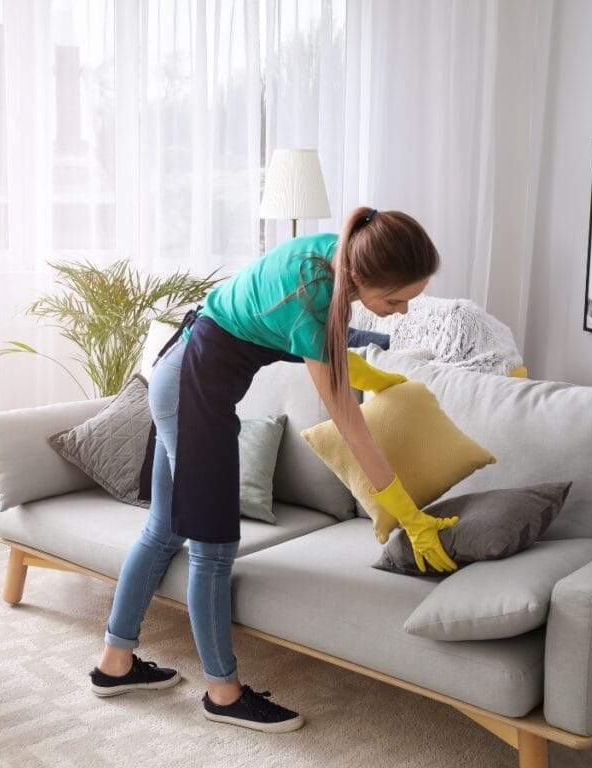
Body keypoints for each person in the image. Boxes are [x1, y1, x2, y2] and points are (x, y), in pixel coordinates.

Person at [88, 207, 459, 732]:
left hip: (181, 374)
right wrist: (410, 517)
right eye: (395, 300)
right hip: (194, 392)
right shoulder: (312, 294)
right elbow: (352, 428)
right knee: (213, 549)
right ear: (358, 275)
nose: (399, 313)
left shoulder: (339, 252)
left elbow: (324, 351)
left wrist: (379, 380)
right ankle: (223, 692)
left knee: (165, 528)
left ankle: (115, 663)